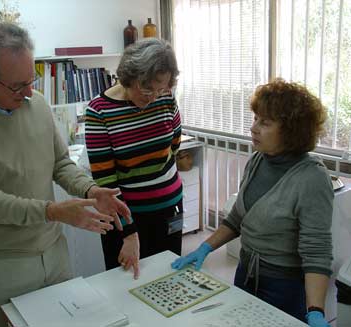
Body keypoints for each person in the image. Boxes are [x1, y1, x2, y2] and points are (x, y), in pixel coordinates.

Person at [0, 22, 130, 327]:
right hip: (3, 265)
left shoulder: (36, 104)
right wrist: (52, 211)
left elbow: (61, 164)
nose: (28, 92)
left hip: (54, 255)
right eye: (17, 85)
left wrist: (90, 191)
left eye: (32, 80)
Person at [172, 79, 333, 327]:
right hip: (245, 273)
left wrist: (315, 310)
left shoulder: (311, 178)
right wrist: (204, 248)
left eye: (265, 122)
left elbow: (316, 252)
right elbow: (238, 218)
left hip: (285, 288)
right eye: (256, 118)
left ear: (292, 131)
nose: (253, 128)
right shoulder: (259, 159)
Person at [85, 38, 183, 280]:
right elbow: (106, 182)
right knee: (126, 285)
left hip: (169, 208)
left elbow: (174, 145)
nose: (153, 97)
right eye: (147, 88)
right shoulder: (99, 111)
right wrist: (129, 232)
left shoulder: (166, 98)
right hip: (125, 219)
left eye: (160, 88)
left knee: (167, 281)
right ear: (129, 75)